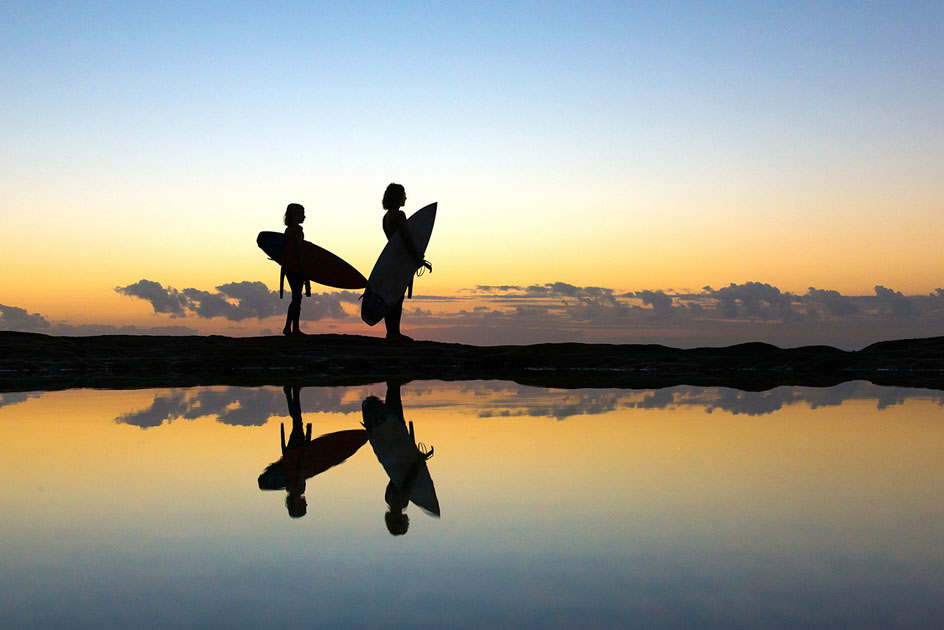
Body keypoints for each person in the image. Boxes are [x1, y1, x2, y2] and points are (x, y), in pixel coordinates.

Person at [380, 184, 426, 341]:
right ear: (397, 197)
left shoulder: (386, 217)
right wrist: (417, 258)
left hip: (392, 260)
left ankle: (391, 332)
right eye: (403, 194)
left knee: (393, 296)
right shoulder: (399, 215)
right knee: (397, 297)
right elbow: (406, 239)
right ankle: (394, 333)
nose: (405, 198)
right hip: (400, 261)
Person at [281, 203, 311, 335]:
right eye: (302, 214)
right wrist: (303, 269)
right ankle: (293, 329)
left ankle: (290, 328)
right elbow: (298, 251)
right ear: (296, 215)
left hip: (288, 266)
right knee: (297, 297)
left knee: (296, 296)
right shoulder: (297, 230)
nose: (304, 216)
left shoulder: (288, 230)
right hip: (295, 267)